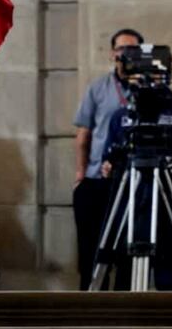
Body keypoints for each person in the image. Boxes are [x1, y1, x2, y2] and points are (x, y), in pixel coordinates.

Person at [98, 94, 172, 290]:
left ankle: (168, 317)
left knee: (167, 273)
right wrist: (108, 166)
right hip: (129, 202)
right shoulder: (120, 117)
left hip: (166, 201)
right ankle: (126, 318)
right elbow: (108, 156)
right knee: (124, 275)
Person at [72, 28, 143, 290]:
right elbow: (83, 135)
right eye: (122, 48)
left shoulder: (148, 88)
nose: (126, 54)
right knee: (91, 251)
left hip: (135, 181)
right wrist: (80, 175)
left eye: (132, 49)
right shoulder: (98, 88)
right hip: (98, 179)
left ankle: (124, 313)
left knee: (127, 253)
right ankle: (91, 312)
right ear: (113, 53)